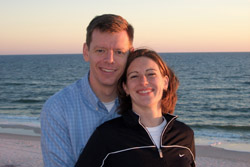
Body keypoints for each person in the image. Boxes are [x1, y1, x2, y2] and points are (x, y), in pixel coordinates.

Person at [40, 14, 134, 167]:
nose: (110, 60)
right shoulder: (58, 109)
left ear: (130, 55)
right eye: (100, 50)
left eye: (119, 52)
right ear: (86, 51)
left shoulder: (141, 104)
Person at [75, 49, 196, 167]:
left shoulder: (185, 135)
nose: (143, 82)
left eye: (151, 74)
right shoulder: (106, 136)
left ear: (165, 82)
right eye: (134, 76)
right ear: (125, 87)